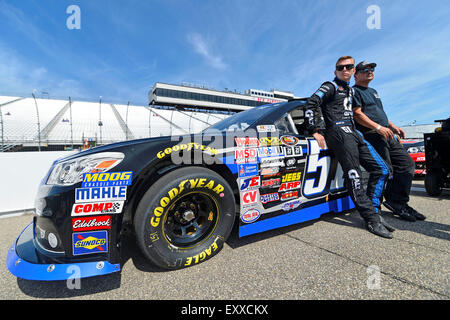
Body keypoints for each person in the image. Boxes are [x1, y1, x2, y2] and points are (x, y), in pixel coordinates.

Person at [304, 56, 394, 238]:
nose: (345, 70)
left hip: (354, 133)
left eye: (349, 67)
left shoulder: (351, 91)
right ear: (335, 71)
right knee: (354, 176)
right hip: (338, 133)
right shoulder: (329, 86)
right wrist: (315, 129)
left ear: (353, 71)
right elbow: (311, 103)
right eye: (341, 67)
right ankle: (371, 219)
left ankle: (375, 211)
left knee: (382, 170)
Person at [352, 61, 426, 221]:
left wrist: (393, 127)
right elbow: (357, 114)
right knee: (384, 170)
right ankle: (373, 211)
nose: (370, 71)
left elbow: (380, 113)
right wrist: (378, 128)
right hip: (372, 135)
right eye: (365, 69)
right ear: (355, 75)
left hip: (387, 133)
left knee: (407, 165)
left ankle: (398, 202)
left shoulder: (373, 91)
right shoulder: (354, 91)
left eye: (371, 69)